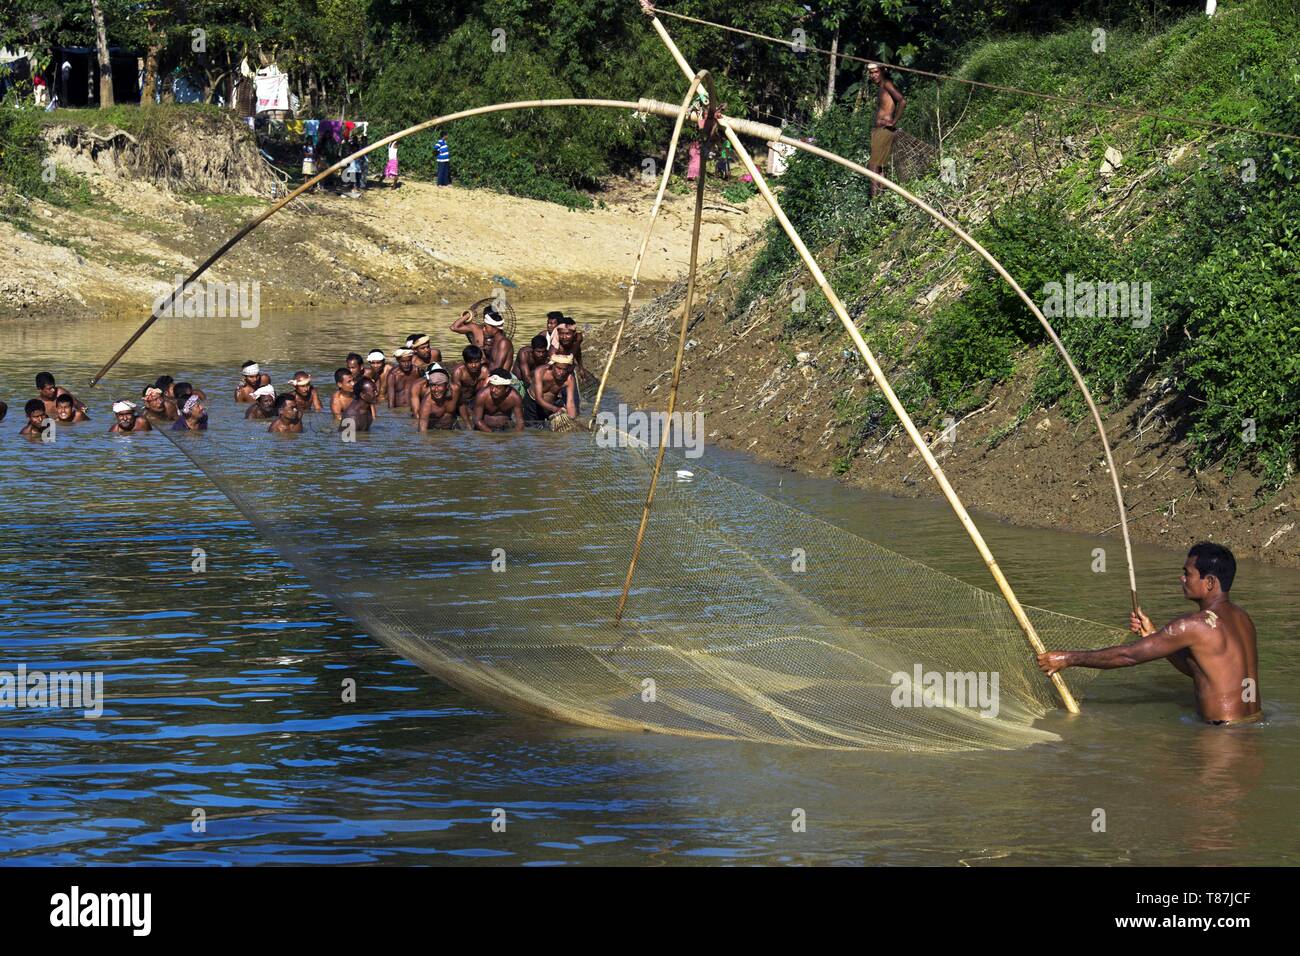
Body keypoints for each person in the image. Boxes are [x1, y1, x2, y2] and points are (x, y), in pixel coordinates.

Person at [1038, 543, 1262, 726]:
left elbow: (1128, 656)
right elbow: (1205, 671)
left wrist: (1067, 659)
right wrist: (1153, 635)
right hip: (1251, 725)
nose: (1182, 579)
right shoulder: (1243, 619)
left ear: (1210, 582)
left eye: (1188, 573)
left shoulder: (1195, 624)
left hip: (1221, 735)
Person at [866, 63, 906, 199]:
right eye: (871, 73)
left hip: (884, 130)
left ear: (882, 71)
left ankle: (874, 201)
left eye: (876, 72)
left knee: (873, 165)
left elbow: (902, 101)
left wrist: (894, 122)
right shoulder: (881, 87)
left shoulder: (886, 84)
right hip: (879, 130)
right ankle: (881, 201)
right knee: (880, 167)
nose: (873, 75)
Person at [529, 353, 579, 426]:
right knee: (531, 430)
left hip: (551, 404)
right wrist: (556, 409)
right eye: (558, 368)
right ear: (552, 366)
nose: (561, 372)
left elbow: (570, 403)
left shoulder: (569, 379)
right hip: (533, 404)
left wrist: (572, 420)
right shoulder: (541, 372)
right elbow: (538, 398)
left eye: (564, 369)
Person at [452, 345, 489, 428]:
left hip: (474, 400)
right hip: (459, 401)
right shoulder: (459, 372)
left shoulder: (484, 371)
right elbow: (456, 394)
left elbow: (487, 391)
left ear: (480, 361)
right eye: (470, 363)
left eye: (476, 362)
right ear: (465, 362)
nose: (473, 365)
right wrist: (469, 411)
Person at [386, 349, 422, 414]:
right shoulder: (393, 375)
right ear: (398, 360)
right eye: (403, 361)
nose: (406, 364)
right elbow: (391, 400)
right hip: (398, 411)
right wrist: (391, 413)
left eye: (409, 361)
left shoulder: (417, 371)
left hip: (413, 409)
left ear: (412, 359)